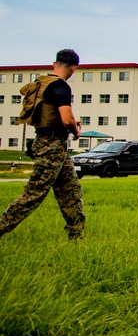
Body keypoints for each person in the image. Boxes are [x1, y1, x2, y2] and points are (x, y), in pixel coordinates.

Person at [0, 49, 85, 241]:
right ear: (73, 69)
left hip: (51, 143)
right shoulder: (61, 87)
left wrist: (70, 124)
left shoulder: (41, 84)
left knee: (71, 191)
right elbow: (66, 119)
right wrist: (76, 130)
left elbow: (52, 115)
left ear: (54, 64)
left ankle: (76, 236)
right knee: (34, 193)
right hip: (51, 146)